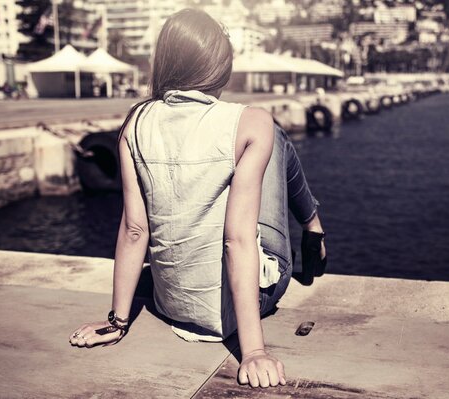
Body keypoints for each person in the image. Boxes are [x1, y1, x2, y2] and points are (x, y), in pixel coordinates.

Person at [68, 8, 326, 389]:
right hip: (247, 304)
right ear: (220, 69)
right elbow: (237, 239)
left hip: (171, 305)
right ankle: (313, 226)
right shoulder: (249, 120)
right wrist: (253, 351)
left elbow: (134, 230)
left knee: (266, 135)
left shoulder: (134, 122)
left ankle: (312, 225)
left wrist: (117, 322)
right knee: (275, 137)